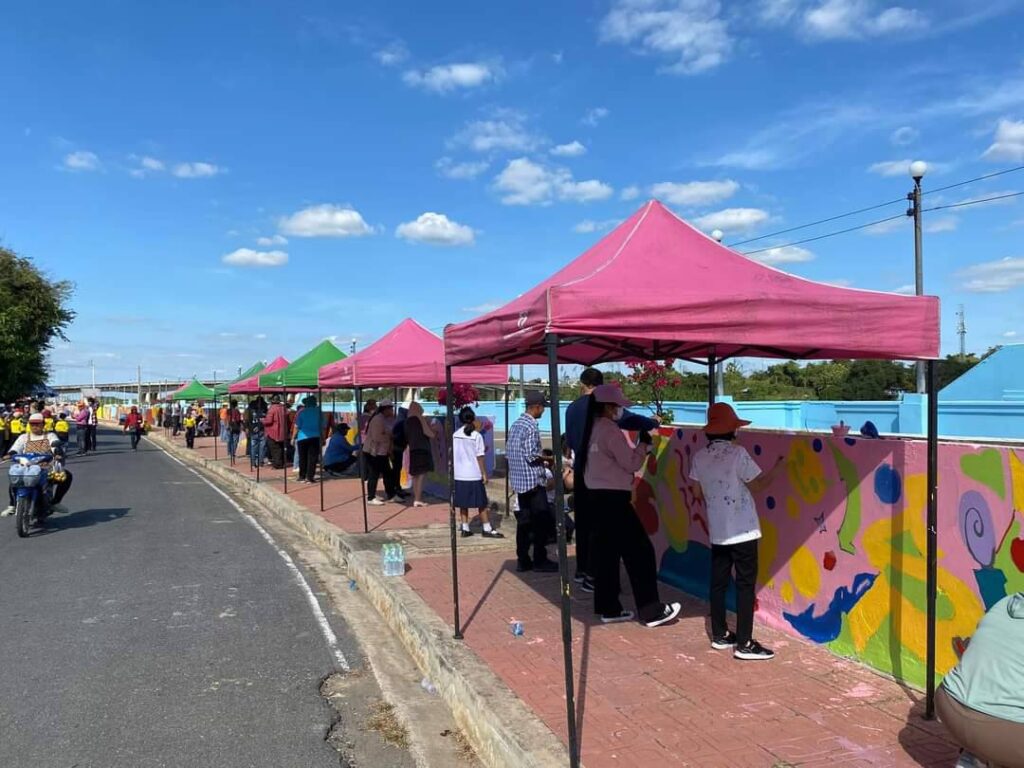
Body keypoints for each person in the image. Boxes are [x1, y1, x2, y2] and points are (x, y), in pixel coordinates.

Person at [689, 402, 786, 660]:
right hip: (743, 530)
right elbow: (758, 485)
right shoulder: (738, 454)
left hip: (718, 531)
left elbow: (696, 492)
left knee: (718, 583)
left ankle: (720, 634)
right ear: (732, 430)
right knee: (745, 585)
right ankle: (745, 643)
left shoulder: (700, 457)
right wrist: (779, 467)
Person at [583, 385, 680, 627]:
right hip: (614, 500)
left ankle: (608, 607)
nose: (620, 411)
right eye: (618, 406)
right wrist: (643, 445)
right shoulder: (610, 431)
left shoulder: (590, 428)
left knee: (607, 555)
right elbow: (630, 464)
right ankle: (651, 610)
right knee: (640, 552)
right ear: (608, 407)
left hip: (595, 497)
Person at [566, 367, 658, 592]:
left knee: (584, 523)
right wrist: (652, 424)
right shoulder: (605, 413)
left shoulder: (572, 408)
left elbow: (569, 438)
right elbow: (631, 420)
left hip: (583, 471)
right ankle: (595, 576)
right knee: (607, 534)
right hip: (607, 482)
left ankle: (583, 570)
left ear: (583, 384)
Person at [936, 591, 1024, 768]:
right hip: (1001, 729)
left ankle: (977, 757)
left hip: (949, 704)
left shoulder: (1007, 602)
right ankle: (989, 754)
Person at [506, 391, 557, 573]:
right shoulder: (531, 426)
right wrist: (548, 459)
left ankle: (523, 559)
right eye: (543, 408)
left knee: (524, 522)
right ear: (536, 407)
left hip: (520, 481)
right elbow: (530, 454)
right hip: (533, 481)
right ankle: (539, 560)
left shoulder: (516, 424)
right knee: (540, 521)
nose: (543, 411)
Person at [2, 413, 73, 517]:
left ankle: (55, 502)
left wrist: (57, 451)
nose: (34, 426)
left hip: (45, 468)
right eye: (32, 424)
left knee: (67, 476)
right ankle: (12, 505)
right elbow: (16, 448)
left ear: (43, 424)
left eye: (37, 424)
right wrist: (10, 454)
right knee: (15, 479)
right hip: (26, 468)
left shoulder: (50, 436)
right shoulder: (23, 437)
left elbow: (54, 444)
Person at [453, 406, 504, 538]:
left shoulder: (455, 435)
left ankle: (465, 527)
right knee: (481, 503)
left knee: (463, 503)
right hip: (473, 473)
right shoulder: (476, 436)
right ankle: (486, 528)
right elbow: (480, 457)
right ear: (473, 419)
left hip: (459, 474)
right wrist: (484, 473)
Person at [364, 400, 399, 505]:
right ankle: (371, 497)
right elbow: (377, 437)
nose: (392, 411)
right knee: (374, 474)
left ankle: (391, 494)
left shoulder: (384, 419)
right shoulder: (377, 419)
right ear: (386, 409)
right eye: (391, 409)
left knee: (387, 473)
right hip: (374, 452)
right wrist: (388, 436)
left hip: (382, 452)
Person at [405, 402, 435, 507]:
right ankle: (418, 499)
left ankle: (416, 498)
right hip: (422, 448)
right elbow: (430, 433)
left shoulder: (407, 420)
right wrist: (429, 424)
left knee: (415, 475)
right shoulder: (419, 418)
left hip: (413, 449)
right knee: (422, 474)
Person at [294, 395, 323, 484]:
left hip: (302, 437)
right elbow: (323, 426)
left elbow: (297, 426)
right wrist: (323, 437)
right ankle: (309, 477)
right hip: (315, 437)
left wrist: (293, 437)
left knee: (302, 457)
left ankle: (302, 476)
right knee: (312, 458)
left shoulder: (302, 412)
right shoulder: (319, 412)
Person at [263, 394, 288, 469]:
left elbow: (269, 421)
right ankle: (281, 463)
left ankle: (277, 464)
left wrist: (262, 420)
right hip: (282, 432)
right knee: (281, 448)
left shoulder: (272, 409)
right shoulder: (283, 408)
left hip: (273, 432)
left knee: (275, 449)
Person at [246, 396, 268, 469]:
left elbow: (247, 420)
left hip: (253, 430)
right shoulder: (264, 410)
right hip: (261, 430)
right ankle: (260, 462)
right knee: (262, 447)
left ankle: (253, 463)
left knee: (254, 447)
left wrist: (248, 428)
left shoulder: (250, 409)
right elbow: (266, 420)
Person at [225, 399, 243, 464]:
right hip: (235, 428)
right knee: (235, 440)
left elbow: (226, 418)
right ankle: (233, 453)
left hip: (228, 427)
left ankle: (229, 452)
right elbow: (238, 420)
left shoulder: (228, 410)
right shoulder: (236, 411)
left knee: (229, 440)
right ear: (236, 404)